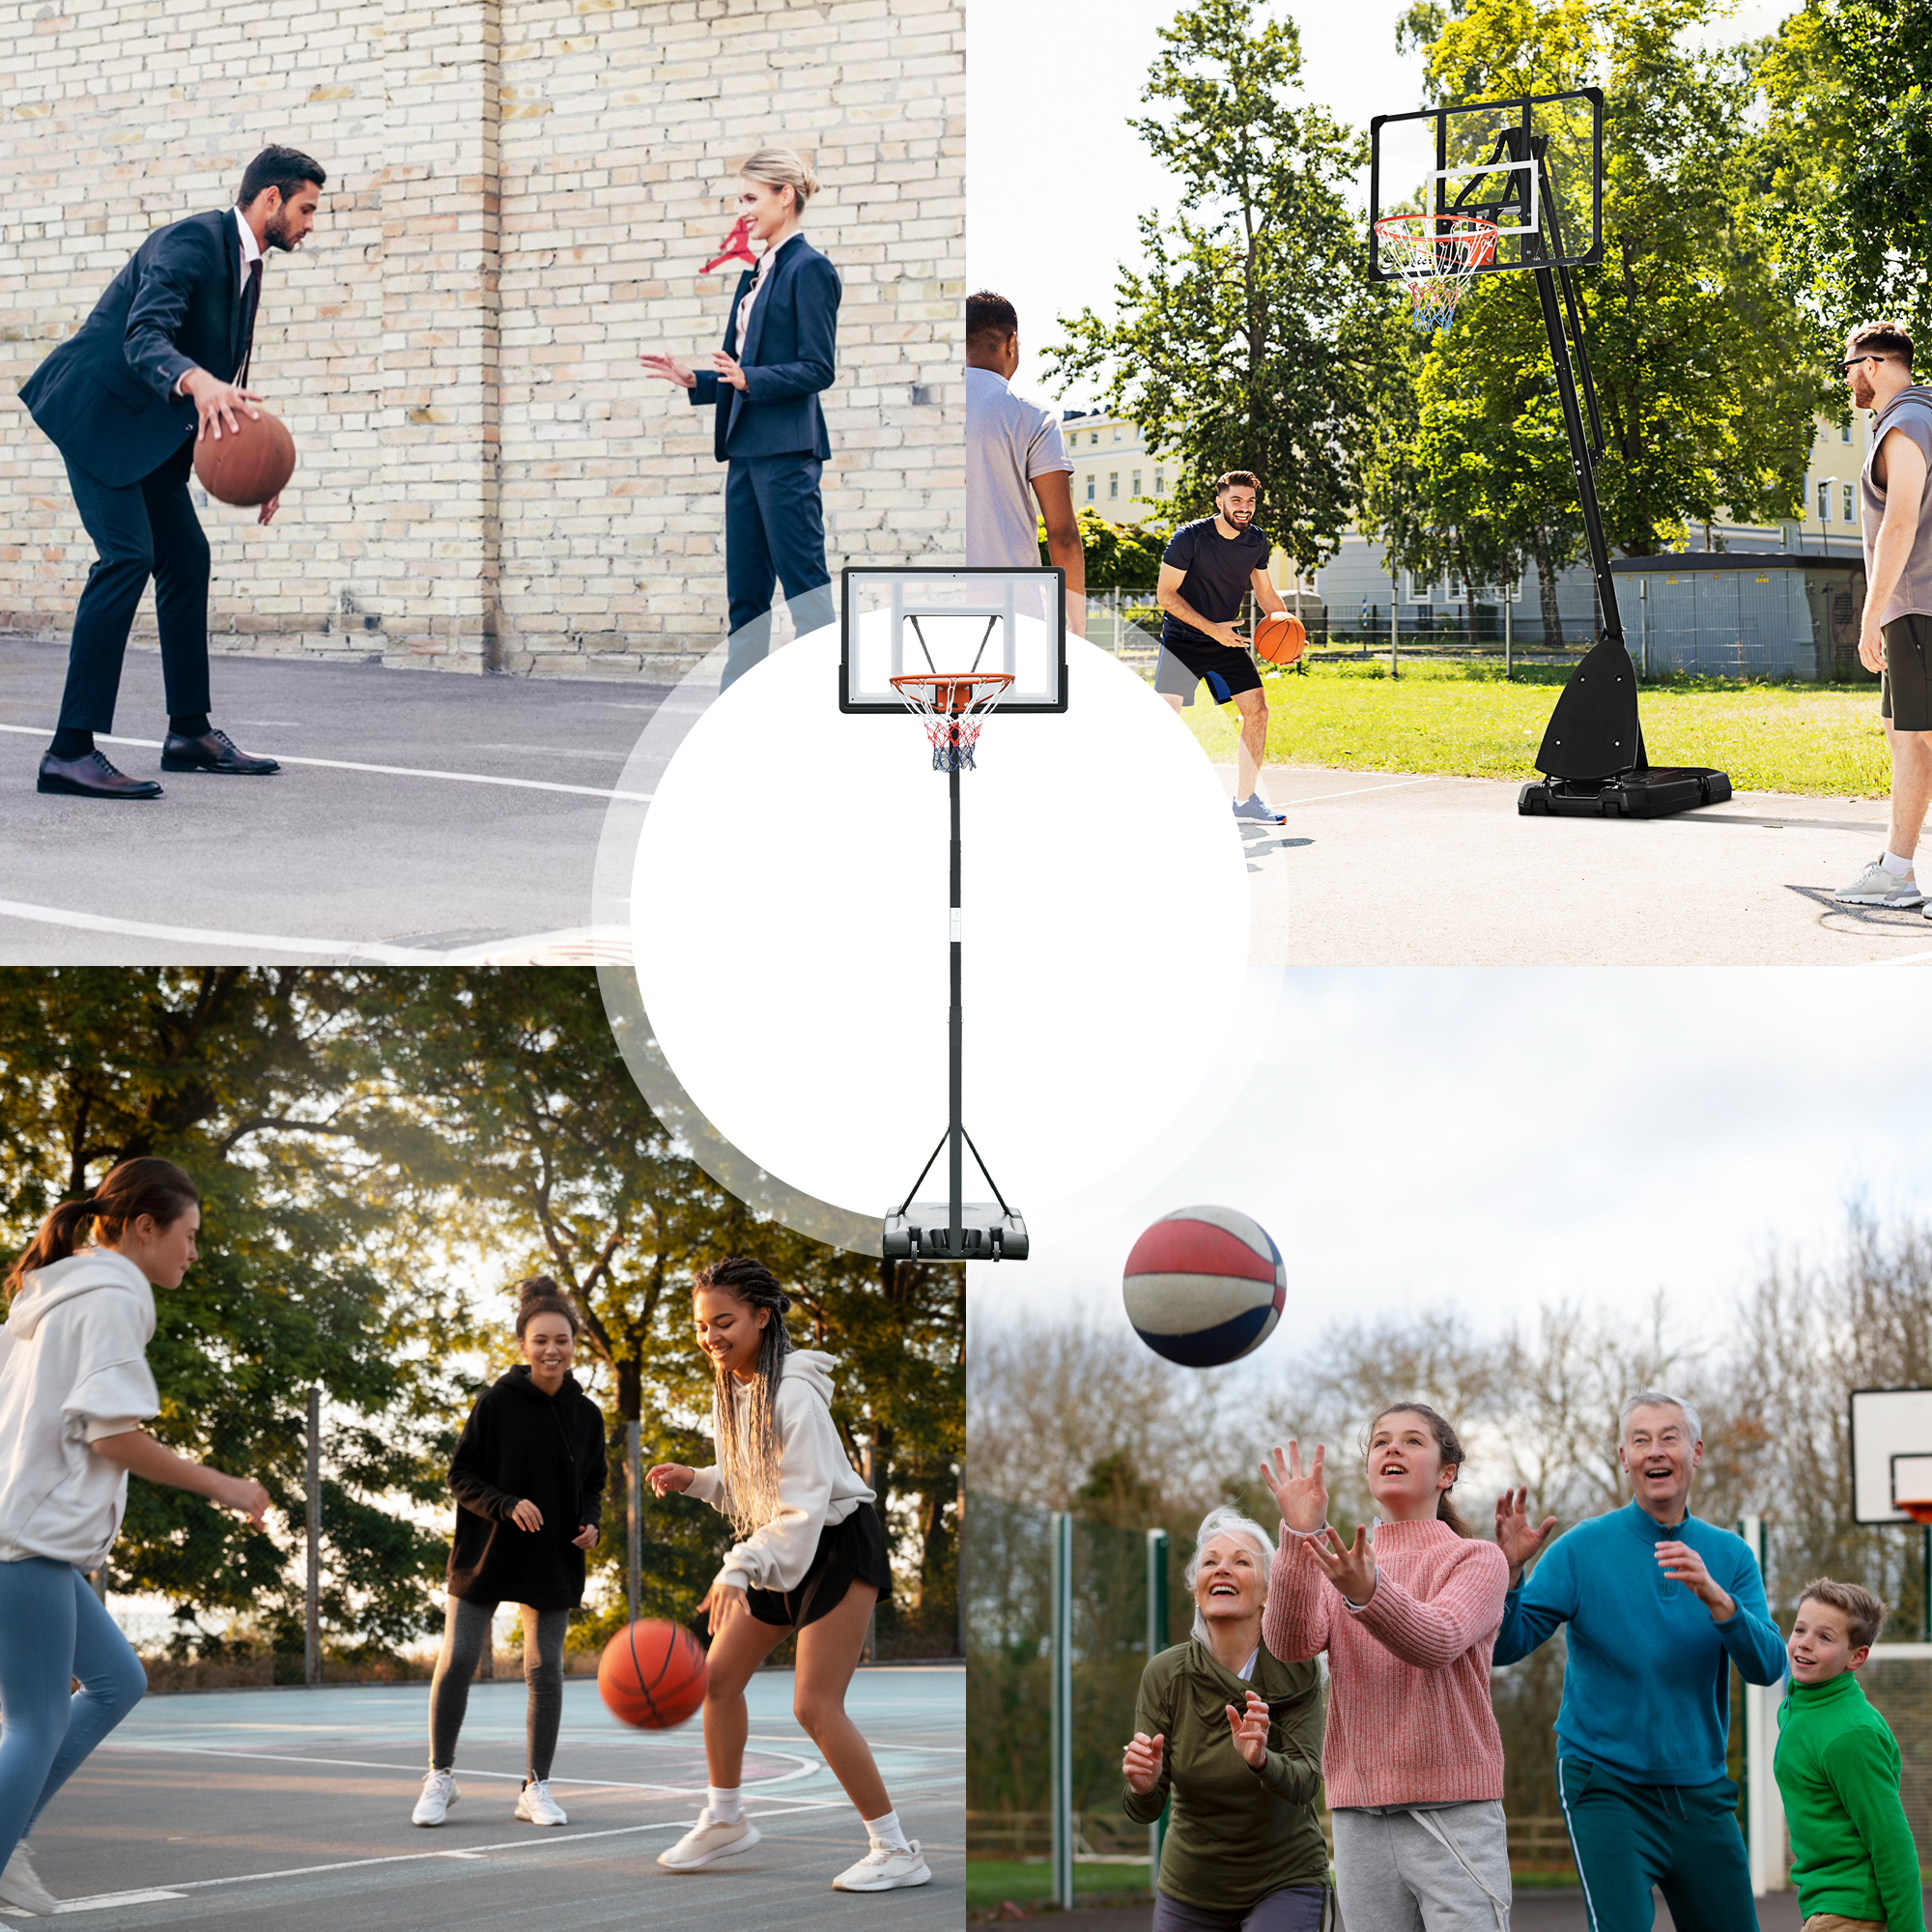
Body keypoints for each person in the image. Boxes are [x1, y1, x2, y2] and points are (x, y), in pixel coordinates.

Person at [0, 1157, 270, 1918]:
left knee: (118, 1681)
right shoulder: (114, 1295)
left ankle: (8, 1833)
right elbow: (112, 1434)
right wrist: (225, 1484)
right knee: (36, 1721)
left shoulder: (50, 1296)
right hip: (28, 1547)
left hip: (24, 1543)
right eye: (188, 1235)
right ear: (144, 1228)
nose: (194, 1251)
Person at [17, 147, 324, 800]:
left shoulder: (248, 264)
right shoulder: (189, 242)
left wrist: (258, 467)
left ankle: (189, 732)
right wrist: (194, 380)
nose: (311, 224)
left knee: (185, 555)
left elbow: (218, 383)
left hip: (147, 430)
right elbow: (144, 336)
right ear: (270, 199)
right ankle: (68, 751)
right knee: (127, 558)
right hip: (97, 415)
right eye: (306, 209)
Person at [646, 1255, 927, 1892]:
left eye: (724, 1322)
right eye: (701, 1326)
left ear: (762, 1317)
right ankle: (725, 1820)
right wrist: (698, 1481)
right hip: (783, 1545)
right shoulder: (736, 1391)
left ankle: (897, 1849)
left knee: (815, 1705)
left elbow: (800, 1513)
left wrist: (737, 1568)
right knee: (717, 1679)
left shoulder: (791, 1393)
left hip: (835, 1546)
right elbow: (754, 1492)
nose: (710, 1336)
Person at [1492, 1389, 1788, 1932]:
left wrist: (1718, 1600)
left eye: (1669, 1438)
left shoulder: (1731, 1556)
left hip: (1701, 1790)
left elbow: (1769, 1667)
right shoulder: (1582, 1549)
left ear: (1695, 1452)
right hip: (1605, 1785)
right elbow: (1505, 1648)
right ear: (1623, 1458)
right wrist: (1510, 1576)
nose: (1656, 1451)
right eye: (1641, 1440)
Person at [1261, 1406, 1513, 1931]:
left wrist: (1367, 1594)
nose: (1392, 1449)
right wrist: (1297, 1535)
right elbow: (1287, 1643)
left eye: (1412, 1441)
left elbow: (1438, 1639)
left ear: (1447, 1473)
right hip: (1360, 1817)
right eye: (1381, 1442)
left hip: (1455, 1812)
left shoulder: (1478, 1559)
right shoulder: (1346, 1561)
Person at [640, 149, 840, 690]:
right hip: (744, 452)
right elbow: (741, 367)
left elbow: (818, 368)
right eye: (740, 198)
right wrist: (697, 380)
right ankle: (735, 719)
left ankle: (827, 711)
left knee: (807, 595)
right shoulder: (755, 274)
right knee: (746, 602)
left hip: (787, 455)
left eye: (751, 198)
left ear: (785, 196)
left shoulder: (810, 269)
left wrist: (752, 380)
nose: (742, 209)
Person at [412, 1277, 606, 1832]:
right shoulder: (496, 1403)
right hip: (487, 1552)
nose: (552, 1349)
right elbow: (460, 1475)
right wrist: (505, 1503)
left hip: (553, 1556)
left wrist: (592, 1522)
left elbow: (594, 1481)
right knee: (459, 1659)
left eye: (562, 1340)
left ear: (574, 1345)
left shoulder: (587, 1415)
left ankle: (535, 1787)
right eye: (541, 1339)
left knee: (545, 1671)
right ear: (523, 1344)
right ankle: (440, 1778)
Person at [1120, 1506, 1328, 1932]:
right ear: (1196, 1591)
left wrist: (1261, 1760)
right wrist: (1142, 1785)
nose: (1222, 1570)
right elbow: (1145, 1807)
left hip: (1285, 1881)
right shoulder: (1165, 1674)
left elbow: (1307, 1780)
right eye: (1210, 1562)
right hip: (1191, 1888)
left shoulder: (1298, 1668)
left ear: (1269, 1592)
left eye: (1241, 1561)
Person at [1833, 321, 1932, 909]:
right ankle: (1896, 870)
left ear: (1871, 363)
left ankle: (1897, 871)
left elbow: (1900, 522)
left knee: (1918, 735)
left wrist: (1869, 616)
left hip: (1917, 601)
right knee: (1906, 735)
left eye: (1848, 368)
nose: (1847, 380)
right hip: (1915, 604)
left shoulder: (1905, 423)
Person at [1776, 1577, 1924, 1932]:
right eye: (1800, 1630)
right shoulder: (1798, 1706)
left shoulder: (1851, 1735)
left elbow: (1892, 1843)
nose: (1804, 1644)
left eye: (1824, 1637)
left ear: (1856, 1657)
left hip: (1851, 1914)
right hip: (1825, 1906)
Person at [1154, 472, 1292, 825]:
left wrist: (1288, 627)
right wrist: (1211, 628)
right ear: (1220, 502)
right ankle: (1155, 800)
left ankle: (1245, 801)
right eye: (1236, 501)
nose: (1244, 508)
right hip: (1183, 640)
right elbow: (1165, 595)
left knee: (1257, 711)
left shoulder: (1256, 541)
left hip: (1225, 640)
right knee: (1167, 721)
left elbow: (1265, 593)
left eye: (1250, 501)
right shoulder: (1190, 538)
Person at [963, 291, 1086, 637]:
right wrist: (1076, 622)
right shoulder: (1033, 417)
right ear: (1012, 343)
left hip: (923, 607)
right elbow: (1061, 534)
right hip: (1013, 611)